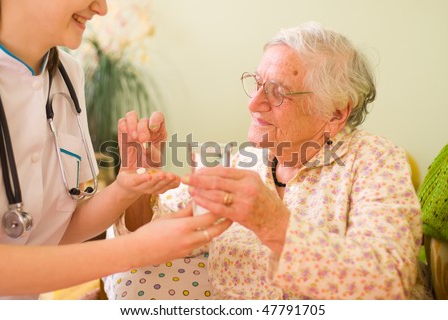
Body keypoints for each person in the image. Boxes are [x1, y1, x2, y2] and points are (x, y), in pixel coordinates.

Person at [0, 0, 231, 299]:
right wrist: (136, 250)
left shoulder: (68, 75)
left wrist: (124, 188)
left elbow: (49, 237)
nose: (102, 8)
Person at [181, 22, 423, 299]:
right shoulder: (242, 161)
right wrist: (137, 180)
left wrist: (273, 223)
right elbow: (157, 222)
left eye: (278, 92)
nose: (253, 103)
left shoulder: (376, 161)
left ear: (334, 114)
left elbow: (388, 283)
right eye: (258, 83)